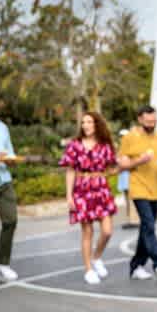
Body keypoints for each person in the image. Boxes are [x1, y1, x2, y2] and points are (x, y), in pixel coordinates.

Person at [59, 111, 118, 285]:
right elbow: (70, 170)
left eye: (89, 122)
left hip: (100, 189)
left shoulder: (105, 145)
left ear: (96, 124)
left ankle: (97, 257)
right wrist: (69, 196)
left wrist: (129, 165)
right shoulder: (75, 145)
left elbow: (112, 168)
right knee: (87, 232)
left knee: (107, 231)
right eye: (83, 122)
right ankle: (88, 270)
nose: (85, 125)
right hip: (82, 189)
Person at [117, 105, 157, 281]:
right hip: (139, 188)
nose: (152, 124)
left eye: (154, 121)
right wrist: (140, 160)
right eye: (148, 121)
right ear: (140, 119)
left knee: (146, 228)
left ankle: (136, 265)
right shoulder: (130, 138)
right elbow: (122, 165)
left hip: (156, 188)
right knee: (148, 224)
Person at [0, 93, 20, 287]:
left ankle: (3, 262)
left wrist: (10, 158)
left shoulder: (3, 128)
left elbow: (11, 151)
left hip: (3, 180)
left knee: (11, 220)